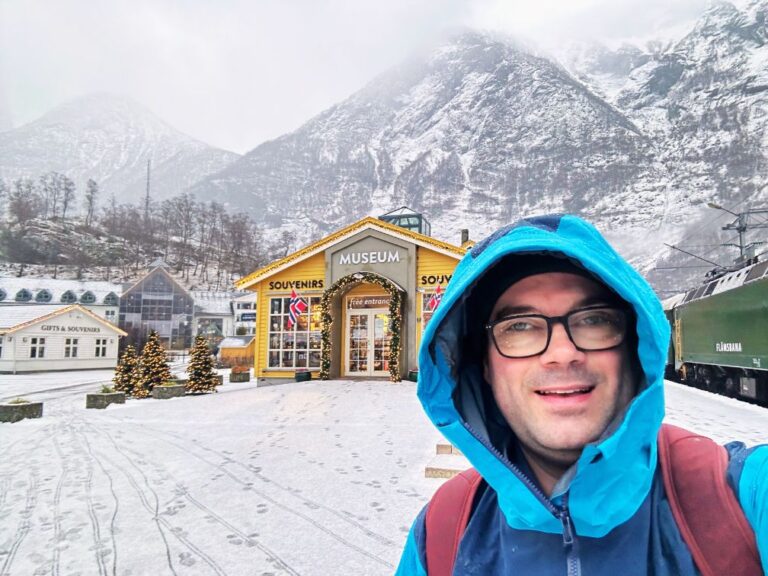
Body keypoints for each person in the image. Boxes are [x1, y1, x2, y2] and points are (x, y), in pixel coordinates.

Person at [395, 214, 767, 575]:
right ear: (485, 367)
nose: (561, 353)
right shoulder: (440, 535)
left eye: (594, 320)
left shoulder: (744, 496)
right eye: (520, 326)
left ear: (632, 352)